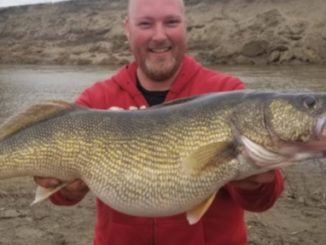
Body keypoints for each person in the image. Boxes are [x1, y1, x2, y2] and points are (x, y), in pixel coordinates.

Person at [35, 0, 284, 244]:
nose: (159, 36)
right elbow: (62, 198)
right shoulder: (96, 100)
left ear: (185, 25)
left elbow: (261, 201)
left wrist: (256, 185)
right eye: (145, 24)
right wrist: (65, 189)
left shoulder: (228, 93)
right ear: (127, 28)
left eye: (171, 22)